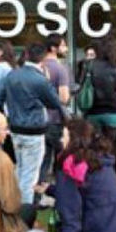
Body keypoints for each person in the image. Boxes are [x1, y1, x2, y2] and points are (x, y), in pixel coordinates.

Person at [35, 119, 116, 232]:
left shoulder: (70, 164)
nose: (61, 140)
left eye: (65, 136)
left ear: (74, 140)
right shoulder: (99, 159)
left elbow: (69, 207)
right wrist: (51, 189)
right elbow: (90, 193)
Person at [0, 42, 65, 205]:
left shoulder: (11, 75)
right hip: (34, 131)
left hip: (15, 129)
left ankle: (12, 205)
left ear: (26, 55)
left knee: (20, 169)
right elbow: (54, 102)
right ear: (42, 59)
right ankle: (23, 212)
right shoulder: (39, 79)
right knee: (29, 175)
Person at [84, 37, 116, 172]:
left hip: (93, 111)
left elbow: (81, 85)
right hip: (113, 111)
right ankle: (111, 175)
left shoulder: (89, 65)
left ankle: (95, 174)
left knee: (93, 146)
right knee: (112, 146)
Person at [39, 35, 71, 193]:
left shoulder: (38, 66)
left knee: (42, 163)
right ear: (53, 48)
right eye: (63, 45)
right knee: (61, 161)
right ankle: (62, 195)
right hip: (55, 120)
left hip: (39, 120)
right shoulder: (60, 68)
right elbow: (64, 98)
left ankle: (35, 197)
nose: (66, 49)